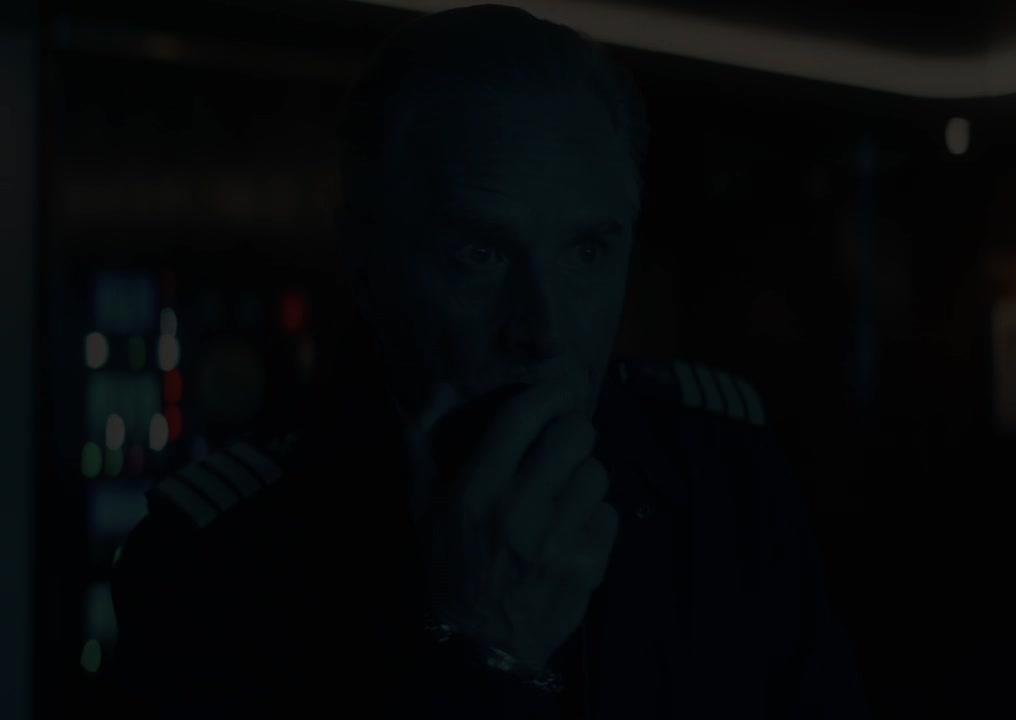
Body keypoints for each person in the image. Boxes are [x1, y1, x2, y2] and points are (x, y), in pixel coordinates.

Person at [109, 5, 872, 718]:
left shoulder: (723, 476)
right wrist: (482, 650)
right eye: (480, 255)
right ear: (368, 263)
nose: (543, 330)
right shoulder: (221, 560)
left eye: (587, 251)